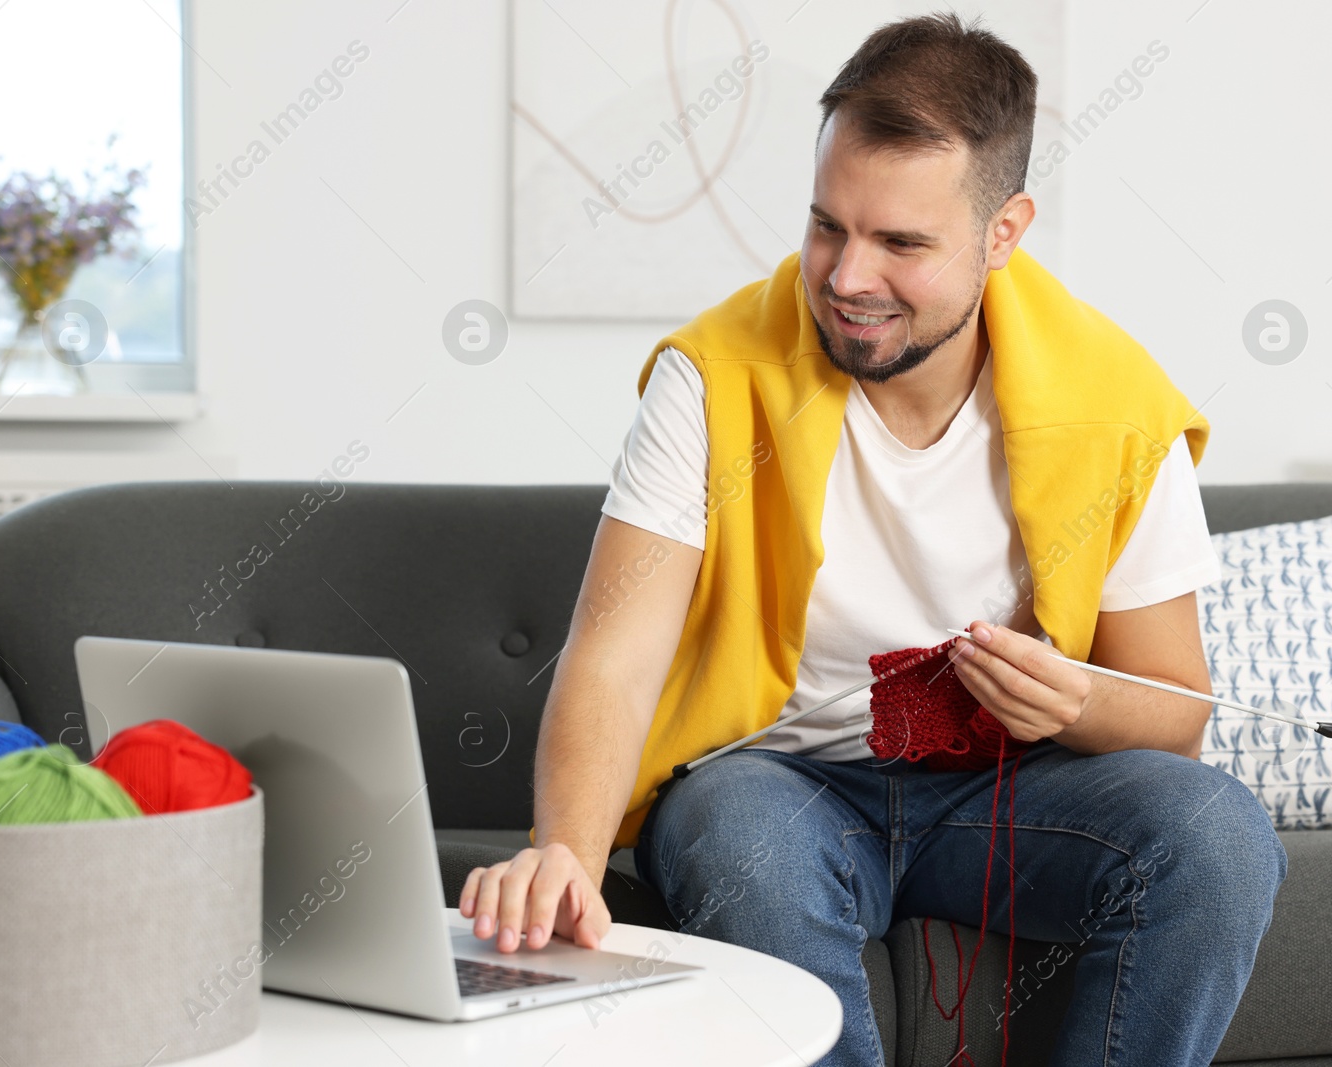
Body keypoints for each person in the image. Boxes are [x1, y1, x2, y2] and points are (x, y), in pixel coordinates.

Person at [461, 12, 1286, 1066]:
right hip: (777, 779)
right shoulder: (713, 377)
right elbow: (615, 657)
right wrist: (564, 854)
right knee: (737, 834)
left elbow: (1175, 709)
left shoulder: (1114, 405)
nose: (847, 275)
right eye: (825, 225)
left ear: (1003, 232)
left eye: (900, 242)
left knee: (1214, 833)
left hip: (1011, 792)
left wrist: (1074, 698)